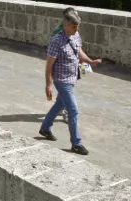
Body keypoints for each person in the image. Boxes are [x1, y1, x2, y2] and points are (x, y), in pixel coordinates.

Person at [39, 8, 101, 155]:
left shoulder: (75, 35)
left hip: (72, 78)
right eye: (74, 26)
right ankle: (76, 143)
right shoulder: (56, 41)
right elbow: (49, 64)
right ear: (66, 25)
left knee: (59, 104)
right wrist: (48, 84)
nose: (76, 29)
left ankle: (45, 128)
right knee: (73, 110)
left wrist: (90, 61)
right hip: (62, 80)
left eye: (77, 26)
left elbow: (78, 51)